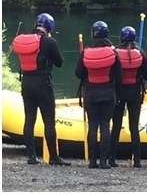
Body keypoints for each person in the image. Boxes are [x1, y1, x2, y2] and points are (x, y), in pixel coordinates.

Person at [12, 13, 70, 166]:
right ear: (49, 27)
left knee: (29, 120)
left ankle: (31, 157)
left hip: (26, 84)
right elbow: (59, 63)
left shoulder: (24, 41)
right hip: (43, 85)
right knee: (49, 122)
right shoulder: (49, 41)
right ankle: (54, 157)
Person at [75, 21, 121, 169]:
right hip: (108, 93)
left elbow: (78, 74)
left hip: (91, 94)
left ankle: (92, 161)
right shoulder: (113, 53)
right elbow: (119, 76)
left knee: (93, 126)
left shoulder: (86, 53)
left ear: (92, 34)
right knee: (106, 126)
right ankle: (104, 161)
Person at [109, 26, 147, 168]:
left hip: (118, 92)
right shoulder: (140, 52)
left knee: (116, 125)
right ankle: (137, 161)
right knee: (134, 126)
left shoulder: (114, 53)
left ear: (121, 38)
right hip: (134, 92)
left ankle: (111, 159)